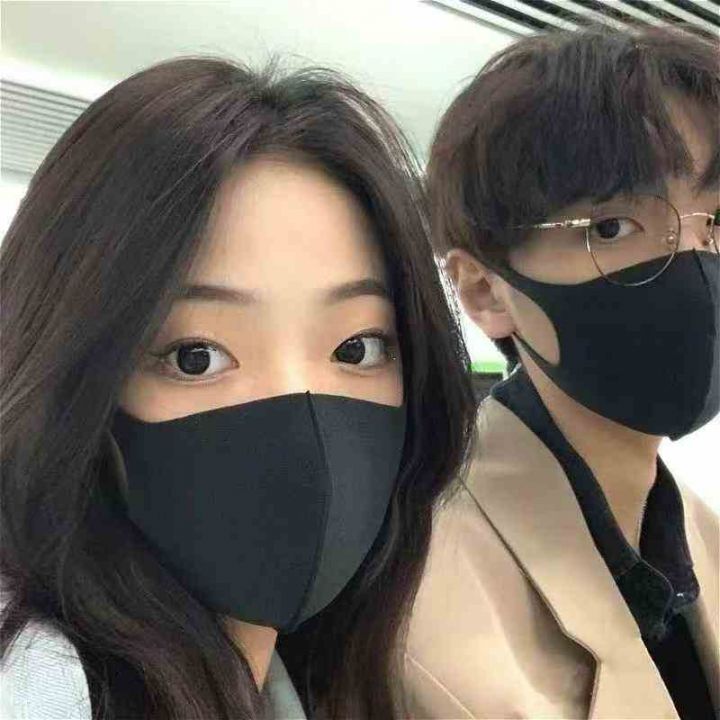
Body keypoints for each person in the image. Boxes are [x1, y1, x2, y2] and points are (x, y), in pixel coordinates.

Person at [0, 58, 476, 719]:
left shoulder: (317, 676)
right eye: (195, 357)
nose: (302, 422)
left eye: (356, 348)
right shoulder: (37, 688)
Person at [404, 23, 719, 720]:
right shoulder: (415, 605)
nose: (696, 266)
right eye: (612, 227)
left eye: (716, 224)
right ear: (485, 291)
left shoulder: (701, 532)